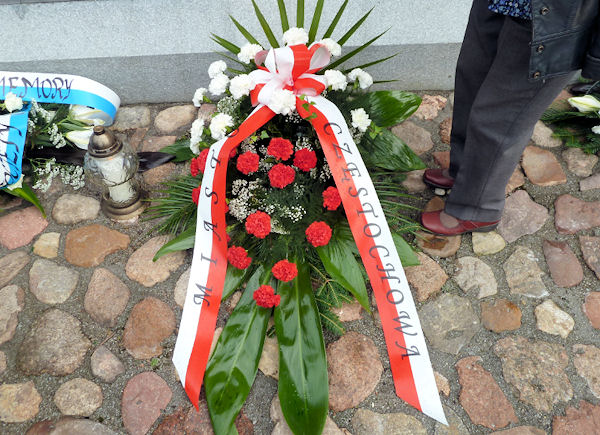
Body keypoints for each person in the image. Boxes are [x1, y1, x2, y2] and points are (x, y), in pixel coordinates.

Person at [420, 0, 600, 235]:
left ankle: (477, 209)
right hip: (503, 3)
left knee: (500, 119)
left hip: (553, 20)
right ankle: (462, 173)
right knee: (471, 84)